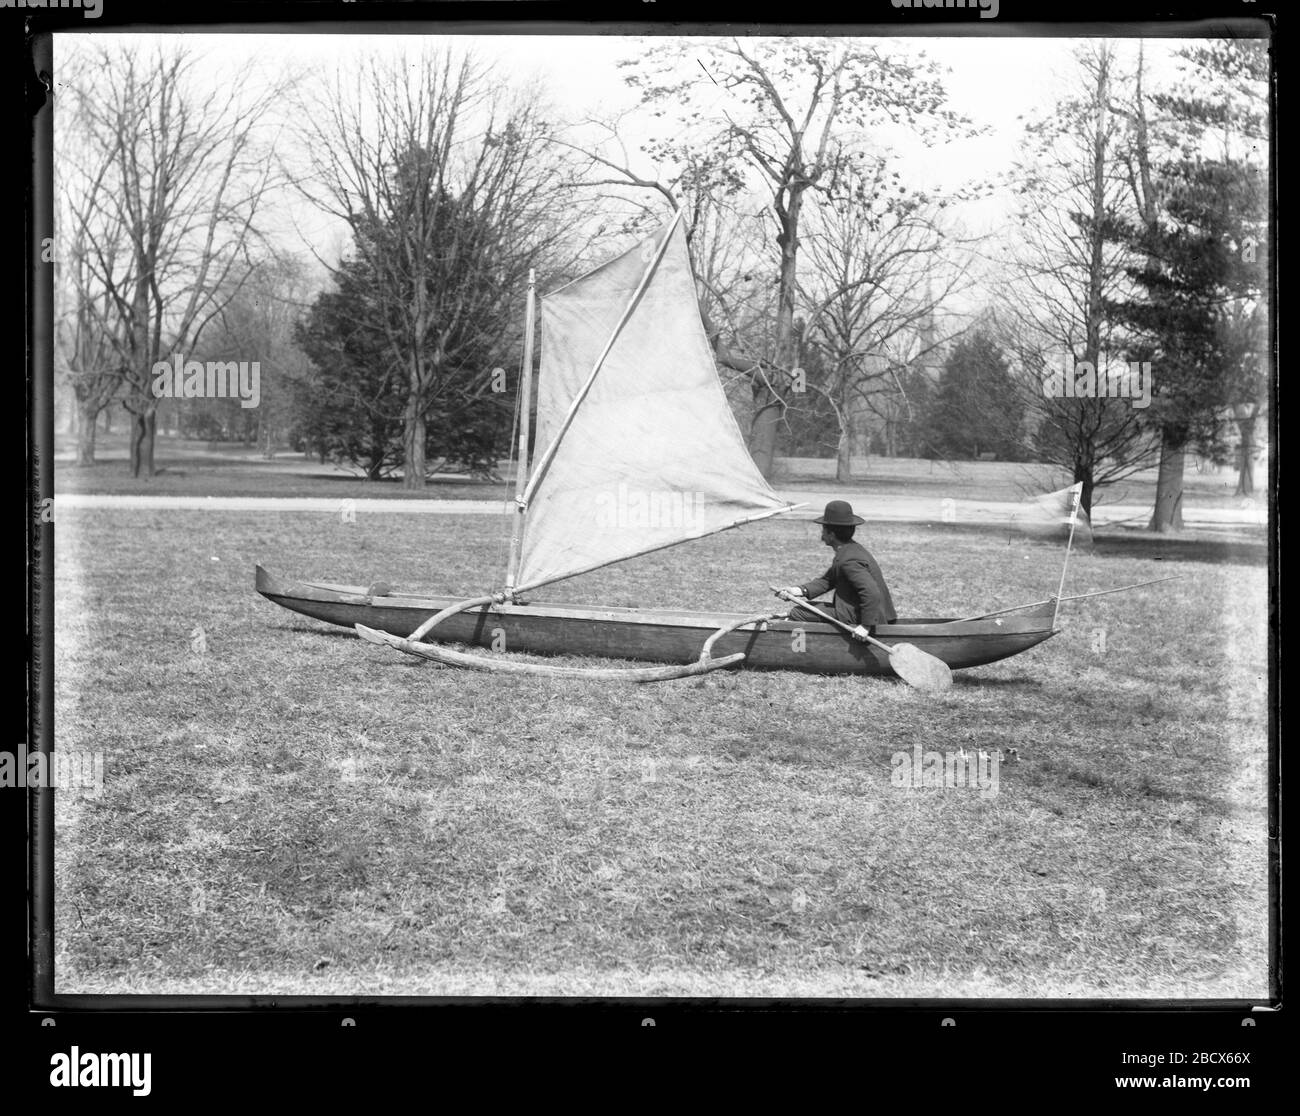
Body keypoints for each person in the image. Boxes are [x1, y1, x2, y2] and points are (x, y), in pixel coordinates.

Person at [779, 500, 897, 642]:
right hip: (857, 610)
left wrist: (865, 626)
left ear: (831, 534)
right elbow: (827, 581)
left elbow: (871, 592)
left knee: (798, 612)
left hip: (861, 615)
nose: (821, 534)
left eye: (823, 530)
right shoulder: (850, 550)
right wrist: (796, 591)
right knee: (803, 609)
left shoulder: (849, 561)